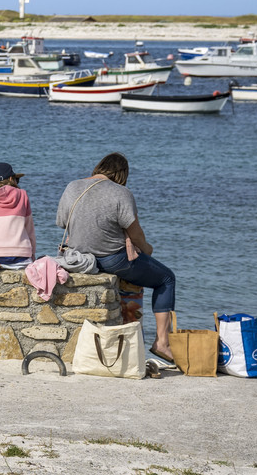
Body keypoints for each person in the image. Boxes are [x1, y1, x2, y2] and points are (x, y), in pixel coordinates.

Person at [56, 152, 179, 369]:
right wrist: (147, 249)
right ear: (122, 174)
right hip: (111, 260)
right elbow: (136, 234)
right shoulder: (121, 192)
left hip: (78, 259)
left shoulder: (72, 186)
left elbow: (62, 222)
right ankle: (162, 343)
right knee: (166, 278)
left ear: (99, 167)